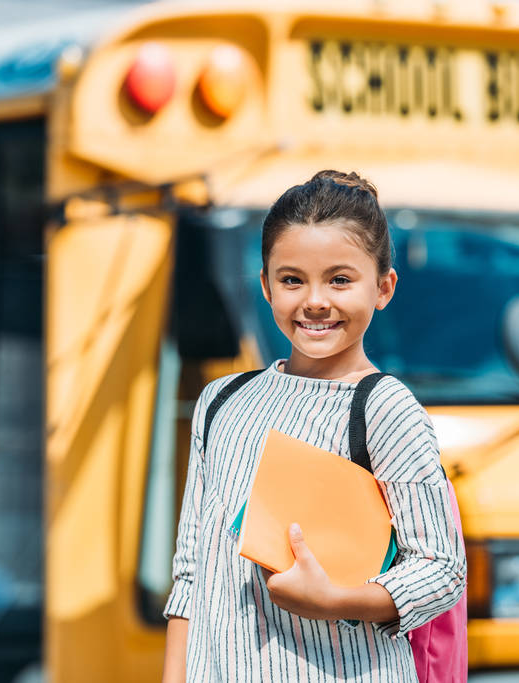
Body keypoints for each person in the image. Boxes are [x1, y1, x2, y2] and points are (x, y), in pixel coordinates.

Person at [162, 170, 467, 682]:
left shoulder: (384, 408)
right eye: (292, 279)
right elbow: (191, 574)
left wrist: (336, 601)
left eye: (340, 280)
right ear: (265, 284)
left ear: (383, 288)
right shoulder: (221, 401)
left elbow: (442, 569)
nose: (315, 301)